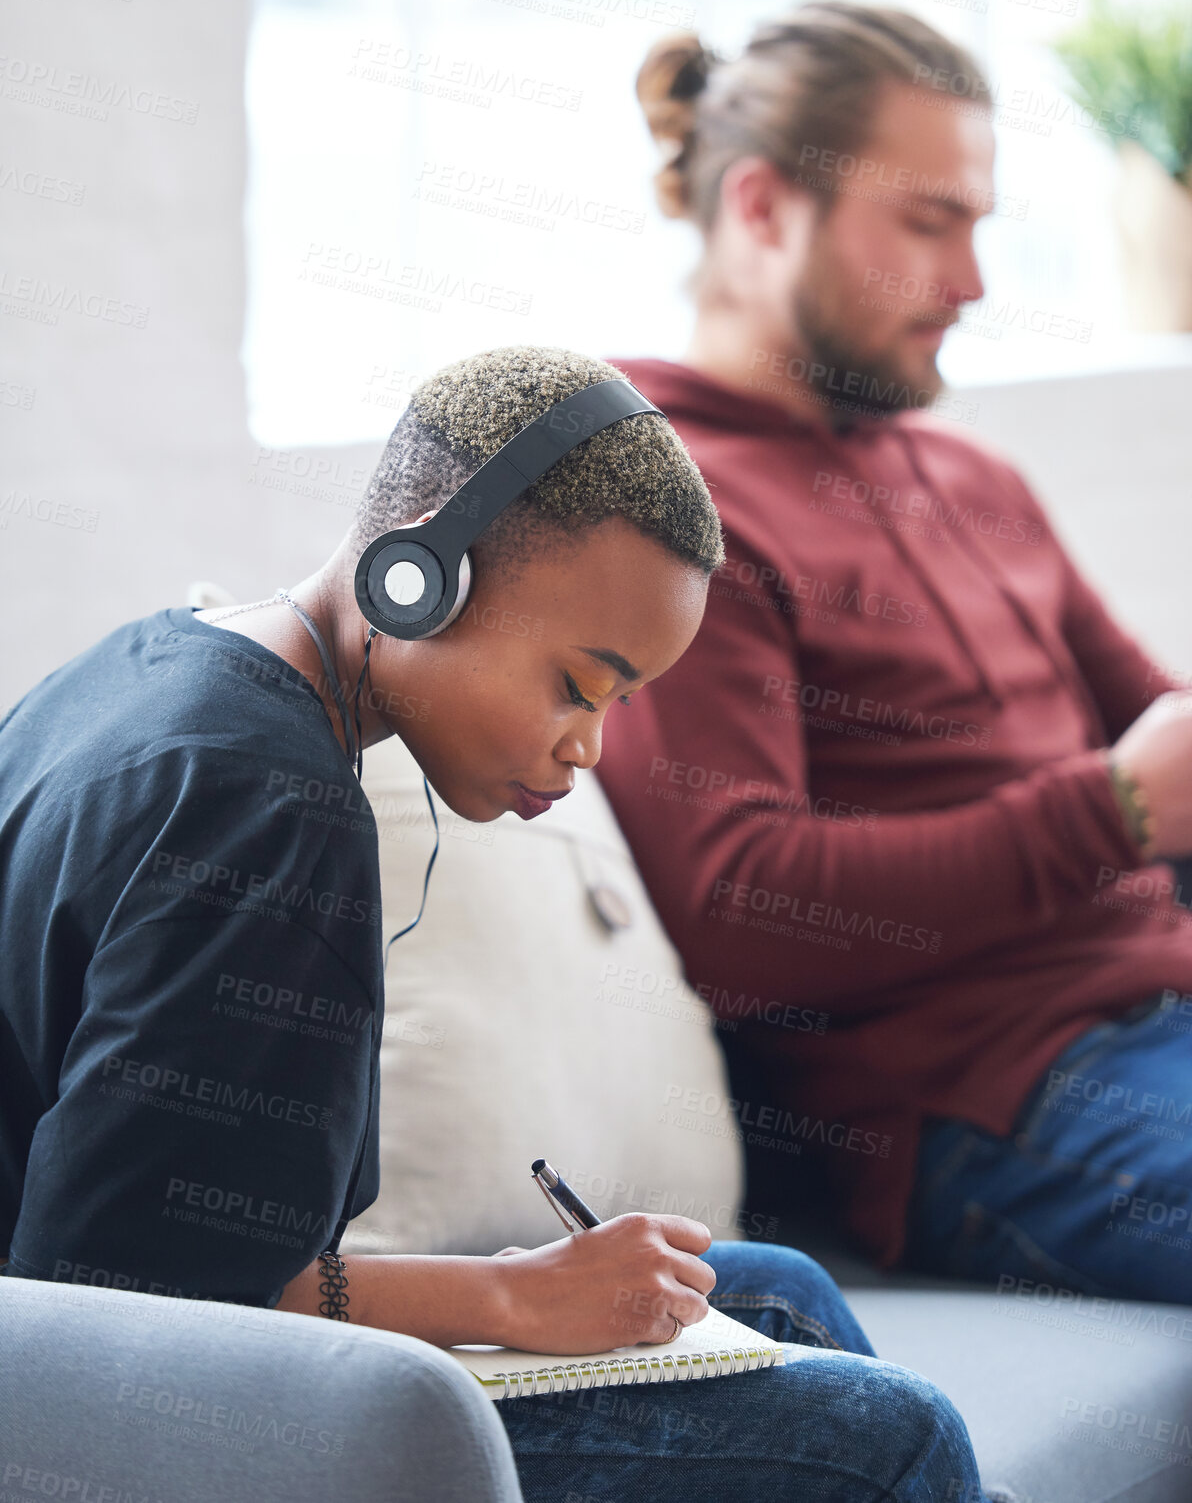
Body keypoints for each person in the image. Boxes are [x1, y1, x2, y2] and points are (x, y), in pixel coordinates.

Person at [0, 345, 1005, 1501]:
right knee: (897, 1442)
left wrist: (532, 1282)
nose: (588, 746)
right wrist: (512, 1297)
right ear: (419, 574)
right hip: (146, 1428)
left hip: (135, 1362)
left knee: (774, 1291)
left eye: (619, 704)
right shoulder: (267, 813)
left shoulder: (149, 664)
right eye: (579, 685)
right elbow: (129, 1299)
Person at [594, 2, 1192, 1306]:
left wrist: (1152, 784)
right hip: (992, 1090)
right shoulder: (667, 508)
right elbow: (743, 910)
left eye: (977, 223)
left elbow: (1159, 719)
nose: (973, 281)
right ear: (760, 208)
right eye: (929, 223)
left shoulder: (968, 475)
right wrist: (1119, 804)